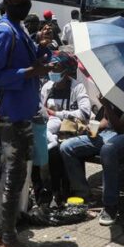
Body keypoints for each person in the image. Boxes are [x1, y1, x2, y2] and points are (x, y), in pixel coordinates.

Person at [0, 0, 53, 247]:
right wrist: (27, 73)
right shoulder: (3, 33)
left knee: (14, 176)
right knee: (14, 177)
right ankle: (8, 240)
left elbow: (29, 63)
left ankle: (3, 233)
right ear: (7, 1)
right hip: (12, 116)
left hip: (23, 112)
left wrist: (43, 50)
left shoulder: (18, 29)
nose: (25, 2)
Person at [60, 95, 124, 225]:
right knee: (66, 147)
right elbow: (106, 120)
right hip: (107, 134)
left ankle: (110, 205)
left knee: (108, 150)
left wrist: (106, 104)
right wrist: (91, 126)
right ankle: (83, 195)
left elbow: (120, 128)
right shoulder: (115, 91)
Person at [37, 51, 91, 206]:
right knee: (48, 150)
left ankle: (65, 191)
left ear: (66, 70)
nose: (53, 71)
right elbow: (41, 109)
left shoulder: (77, 88)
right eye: (51, 67)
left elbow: (85, 113)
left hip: (70, 132)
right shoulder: (47, 87)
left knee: (61, 149)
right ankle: (50, 191)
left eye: (57, 67)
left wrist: (58, 113)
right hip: (50, 130)